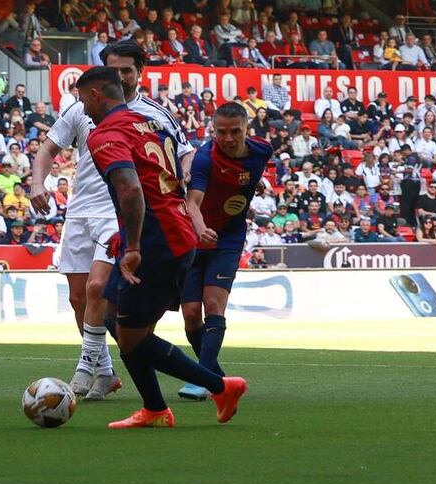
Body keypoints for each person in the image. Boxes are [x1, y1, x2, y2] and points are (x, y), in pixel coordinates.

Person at [78, 66, 247, 429]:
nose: (84, 112)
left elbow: (131, 189)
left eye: (83, 102)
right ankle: (155, 408)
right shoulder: (149, 123)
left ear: (95, 95)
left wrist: (135, 246)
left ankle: (220, 386)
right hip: (169, 228)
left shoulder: (104, 134)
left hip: (158, 239)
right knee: (112, 312)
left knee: (133, 337)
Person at [30, 85, 124, 401]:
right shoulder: (81, 110)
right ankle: (107, 372)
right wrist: (36, 182)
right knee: (77, 298)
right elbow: (47, 148)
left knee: (97, 288)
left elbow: (179, 154)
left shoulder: (146, 113)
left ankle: (85, 366)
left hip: (115, 211)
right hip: (79, 211)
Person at [178, 102, 273, 400]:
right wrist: (200, 227)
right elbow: (192, 202)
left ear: (247, 128)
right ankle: (217, 378)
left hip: (228, 238)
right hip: (194, 237)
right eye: (221, 132)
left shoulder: (262, 151)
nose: (228, 138)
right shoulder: (205, 158)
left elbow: (244, 176)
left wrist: (252, 189)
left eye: (235, 131)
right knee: (191, 316)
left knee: (213, 305)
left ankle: (201, 380)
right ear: (213, 129)